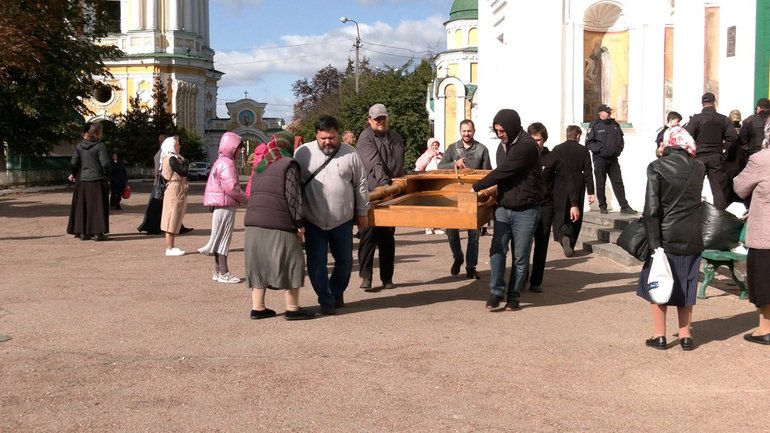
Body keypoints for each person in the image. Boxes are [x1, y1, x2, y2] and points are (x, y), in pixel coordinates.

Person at [637, 126, 705, 351]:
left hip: (665, 237)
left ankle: (660, 336)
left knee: (659, 282)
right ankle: (686, 336)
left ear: (668, 143)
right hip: (693, 235)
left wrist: (654, 243)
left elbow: (652, 209)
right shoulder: (699, 167)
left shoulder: (656, 167)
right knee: (686, 284)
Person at [294, 115, 369, 315]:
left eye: (332, 137)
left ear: (338, 134)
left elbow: (361, 184)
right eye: (323, 138)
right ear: (316, 136)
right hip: (313, 219)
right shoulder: (302, 153)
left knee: (345, 262)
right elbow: (293, 186)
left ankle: (335, 292)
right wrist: (296, 219)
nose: (328, 142)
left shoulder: (350, 153)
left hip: (342, 220)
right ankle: (325, 300)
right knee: (316, 262)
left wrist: (363, 213)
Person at [472, 109, 543, 311]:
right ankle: (496, 292)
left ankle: (514, 297)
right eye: (496, 130)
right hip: (503, 207)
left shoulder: (527, 145)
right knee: (497, 249)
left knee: (520, 257)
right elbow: (502, 177)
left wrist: (475, 187)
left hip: (526, 210)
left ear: (512, 127)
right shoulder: (501, 147)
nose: (499, 134)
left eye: (502, 130)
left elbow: (503, 171)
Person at [243, 132, 315, 321]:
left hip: (253, 224)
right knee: (293, 261)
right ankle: (292, 308)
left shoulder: (259, 167)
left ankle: (258, 308)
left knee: (258, 264)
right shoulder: (288, 164)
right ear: (289, 145)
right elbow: (293, 197)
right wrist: (300, 224)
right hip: (279, 222)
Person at [356, 103, 405, 292]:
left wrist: (397, 185)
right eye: (377, 119)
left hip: (389, 192)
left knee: (387, 237)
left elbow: (398, 163)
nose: (381, 121)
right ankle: (366, 277)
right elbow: (374, 163)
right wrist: (386, 185)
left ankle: (387, 278)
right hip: (372, 192)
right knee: (368, 235)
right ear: (369, 120)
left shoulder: (395, 137)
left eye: (383, 118)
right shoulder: (365, 138)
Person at [438, 119, 492, 278]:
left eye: (469, 131)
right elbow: (440, 167)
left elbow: (488, 173)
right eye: (464, 131)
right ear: (460, 131)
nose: (466, 134)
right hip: (453, 196)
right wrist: (455, 163)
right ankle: (458, 257)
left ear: (473, 131)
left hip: (473, 196)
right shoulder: (453, 148)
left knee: (473, 235)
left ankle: (471, 267)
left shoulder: (482, 149)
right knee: (451, 231)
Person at [733, 123, 770, 345]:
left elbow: (739, 186)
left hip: (765, 233)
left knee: (764, 281)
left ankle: (765, 329)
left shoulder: (761, 159)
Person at [198, 132, 248, 283]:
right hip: (225, 204)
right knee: (224, 239)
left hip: (219, 204)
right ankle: (224, 272)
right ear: (232, 148)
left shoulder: (221, 161)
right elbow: (232, 188)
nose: (241, 152)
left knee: (220, 238)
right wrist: (247, 199)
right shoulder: (228, 163)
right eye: (239, 148)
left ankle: (218, 271)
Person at [684, 92, 737, 210]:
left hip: (699, 157)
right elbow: (732, 137)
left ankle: (692, 213)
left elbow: (686, 136)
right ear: (715, 102)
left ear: (702, 103)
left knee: (695, 188)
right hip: (715, 157)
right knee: (717, 189)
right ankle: (720, 217)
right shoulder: (723, 119)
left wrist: (692, 153)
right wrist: (724, 151)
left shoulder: (696, 119)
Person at [548, 125, 595, 257]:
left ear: (567, 135)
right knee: (575, 214)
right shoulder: (583, 150)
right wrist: (591, 192)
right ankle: (571, 242)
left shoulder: (557, 149)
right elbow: (588, 172)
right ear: (578, 136)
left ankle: (563, 237)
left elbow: (550, 169)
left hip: (559, 183)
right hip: (577, 183)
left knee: (560, 213)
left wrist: (549, 187)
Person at [585, 104, 636, 214]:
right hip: (600, 159)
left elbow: (621, 139)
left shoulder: (614, 124)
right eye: (607, 112)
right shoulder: (595, 125)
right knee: (601, 182)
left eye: (610, 112)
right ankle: (602, 206)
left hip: (613, 159)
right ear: (600, 113)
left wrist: (618, 150)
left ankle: (624, 206)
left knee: (618, 182)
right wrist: (601, 149)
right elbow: (589, 143)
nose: (609, 113)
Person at [138, 134, 193, 235]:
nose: (179, 146)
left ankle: (173, 227)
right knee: (161, 208)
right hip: (163, 184)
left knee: (163, 208)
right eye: (176, 144)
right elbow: (180, 171)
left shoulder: (166, 154)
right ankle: (155, 227)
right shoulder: (166, 156)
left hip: (163, 183)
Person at [66, 121, 111, 241]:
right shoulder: (100, 146)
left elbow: (73, 162)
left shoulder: (80, 146)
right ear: (98, 133)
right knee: (98, 206)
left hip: (83, 180)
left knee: (83, 206)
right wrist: (107, 175)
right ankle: (98, 233)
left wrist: (75, 174)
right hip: (97, 179)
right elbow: (105, 163)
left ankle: (83, 233)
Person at [527, 122, 553, 292]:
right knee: (522, 244)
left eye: (538, 140)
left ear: (543, 140)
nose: (536, 143)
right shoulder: (523, 157)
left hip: (545, 205)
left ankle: (536, 281)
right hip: (527, 205)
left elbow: (561, 183)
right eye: (533, 140)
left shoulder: (552, 158)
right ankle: (520, 277)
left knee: (542, 243)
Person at [159, 136, 189, 256]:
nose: (179, 146)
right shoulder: (171, 158)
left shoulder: (172, 158)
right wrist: (186, 162)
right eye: (177, 144)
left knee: (175, 217)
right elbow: (183, 171)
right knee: (171, 217)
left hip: (177, 188)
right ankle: (169, 247)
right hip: (174, 189)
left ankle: (171, 246)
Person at [415, 137, 445, 235]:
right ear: (429, 146)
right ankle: (428, 227)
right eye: (433, 145)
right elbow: (419, 166)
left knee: (439, 205)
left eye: (436, 145)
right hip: (429, 181)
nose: (435, 147)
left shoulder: (441, 155)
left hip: (440, 182)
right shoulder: (426, 155)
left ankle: (437, 227)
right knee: (430, 205)